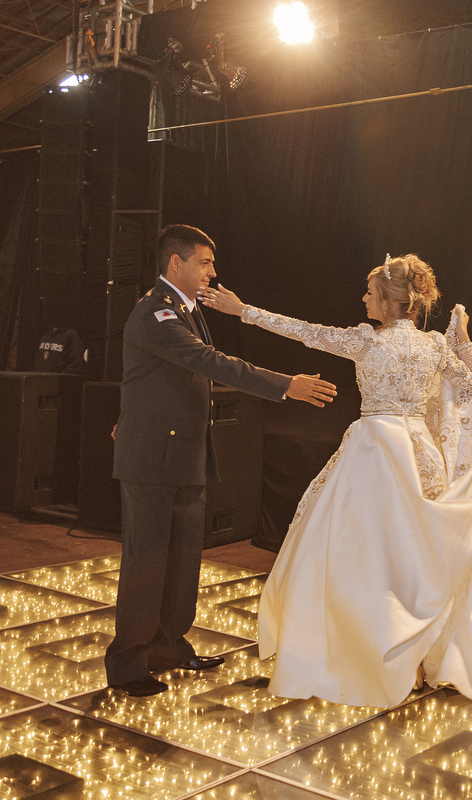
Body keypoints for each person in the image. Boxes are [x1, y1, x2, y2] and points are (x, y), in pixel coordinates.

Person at [202, 253, 472, 708]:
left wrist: (244, 311)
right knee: (413, 555)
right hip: (420, 456)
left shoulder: (365, 341)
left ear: (389, 301)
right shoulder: (433, 345)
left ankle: (363, 658)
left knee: (359, 554)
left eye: (370, 292)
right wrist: (463, 338)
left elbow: (301, 331)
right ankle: (408, 658)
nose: (363, 298)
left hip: (373, 453)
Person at [105, 225, 338, 698]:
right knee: (147, 562)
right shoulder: (156, 313)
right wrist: (284, 384)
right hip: (151, 459)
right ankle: (128, 662)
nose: (213, 271)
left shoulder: (188, 309)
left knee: (184, 558)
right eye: (205, 262)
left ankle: (169, 645)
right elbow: (211, 362)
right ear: (176, 264)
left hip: (182, 453)